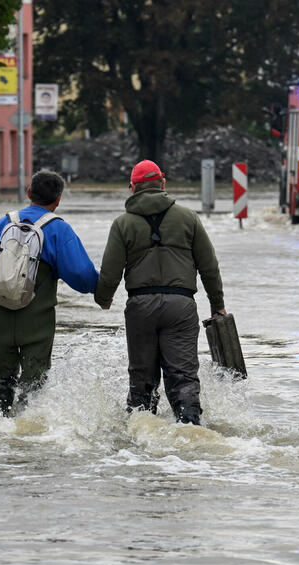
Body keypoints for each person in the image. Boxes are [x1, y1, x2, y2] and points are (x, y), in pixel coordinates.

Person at [94, 160, 226, 426]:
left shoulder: (122, 224)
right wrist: (217, 304)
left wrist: (104, 298)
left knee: (142, 378)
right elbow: (209, 265)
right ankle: (189, 428)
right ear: (163, 184)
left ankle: (142, 435)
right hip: (181, 305)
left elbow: (110, 271)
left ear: (133, 188)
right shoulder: (188, 217)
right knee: (183, 375)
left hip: (140, 306)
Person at [0, 170, 99, 413]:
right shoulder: (58, 230)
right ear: (58, 200)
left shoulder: (2, 224)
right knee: (34, 383)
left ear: (28, 193)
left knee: (1, 379)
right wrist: (101, 290)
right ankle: (27, 432)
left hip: (0, 316)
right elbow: (81, 276)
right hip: (37, 320)